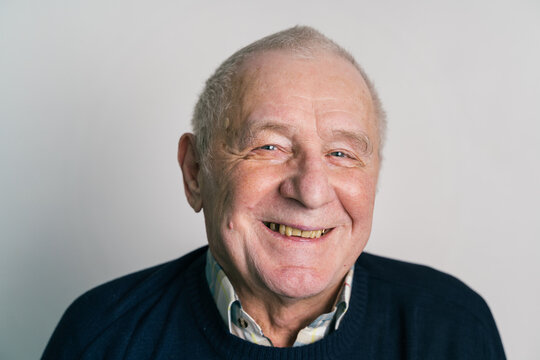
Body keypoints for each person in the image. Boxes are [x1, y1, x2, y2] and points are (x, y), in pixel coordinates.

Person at [42, 26, 506, 359]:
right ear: (196, 172)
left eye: (342, 154)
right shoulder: (100, 337)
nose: (311, 189)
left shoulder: (454, 329)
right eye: (269, 146)